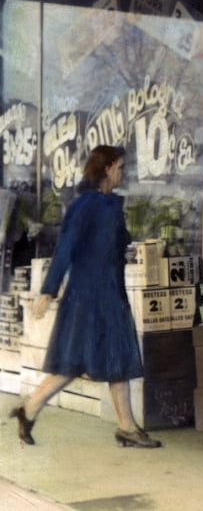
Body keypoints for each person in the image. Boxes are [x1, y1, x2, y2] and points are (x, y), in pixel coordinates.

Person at [8, 145, 161, 448]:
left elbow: (110, 243)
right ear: (106, 168)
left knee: (107, 358)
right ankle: (123, 427)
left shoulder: (108, 204)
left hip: (108, 293)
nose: (123, 173)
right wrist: (48, 290)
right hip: (89, 296)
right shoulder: (86, 206)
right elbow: (65, 248)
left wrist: (126, 248)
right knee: (83, 360)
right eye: (120, 167)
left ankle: (124, 426)